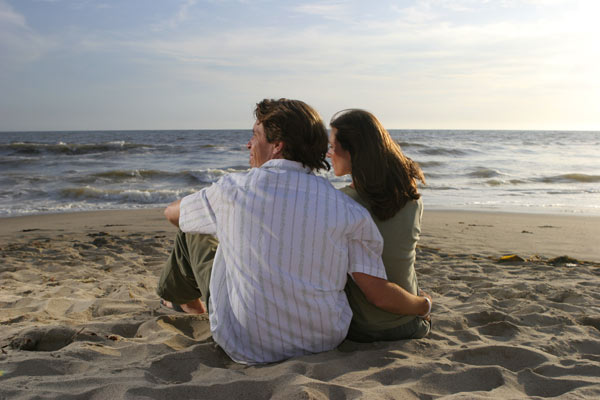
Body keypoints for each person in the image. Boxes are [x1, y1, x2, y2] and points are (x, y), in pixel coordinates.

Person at [157, 99, 432, 364]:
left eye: (255, 135)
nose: (248, 144)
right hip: (323, 342)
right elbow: (376, 288)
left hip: (247, 344)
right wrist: (423, 305)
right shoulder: (348, 208)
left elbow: (171, 214)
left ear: (277, 145)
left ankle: (186, 303)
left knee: (191, 227)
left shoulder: (233, 189)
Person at [328, 109, 431, 342]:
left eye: (333, 147)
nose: (328, 154)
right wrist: (421, 305)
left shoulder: (342, 203)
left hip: (367, 328)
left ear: (352, 151)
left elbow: (378, 295)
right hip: (410, 321)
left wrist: (424, 306)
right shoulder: (412, 198)